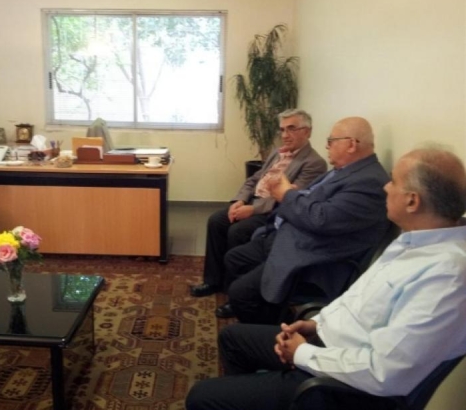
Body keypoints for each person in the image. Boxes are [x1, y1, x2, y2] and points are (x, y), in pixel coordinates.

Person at [186, 147, 466, 410]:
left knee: (201, 397)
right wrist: (315, 323)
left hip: (343, 386)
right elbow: (357, 299)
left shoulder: (447, 277)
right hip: (327, 344)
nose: (386, 187)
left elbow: (384, 372)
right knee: (232, 338)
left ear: (412, 200)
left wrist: (302, 353)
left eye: (393, 182)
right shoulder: (413, 242)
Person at [219, 117, 389, 321]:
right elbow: (313, 202)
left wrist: (286, 194)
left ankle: (272, 332)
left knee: (240, 293)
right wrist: (291, 193)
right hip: (293, 234)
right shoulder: (343, 171)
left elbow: (321, 219)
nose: (327, 146)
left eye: (331, 141)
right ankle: (264, 308)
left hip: (314, 257)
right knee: (234, 259)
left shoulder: (369, 182)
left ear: (351, 144)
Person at [190, 109, 327, 299]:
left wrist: (253, 209)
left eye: (291, 129)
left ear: (307, 132)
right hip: (253, 202)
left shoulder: (314, 163)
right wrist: (240, 200)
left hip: (273, 213)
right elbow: (255, 179)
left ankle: (234, 291)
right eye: (282, 130)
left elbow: (290, 198)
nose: (285, 135)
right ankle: (212, 281)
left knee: (237, 231)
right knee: (216, 221)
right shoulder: (277, 153)